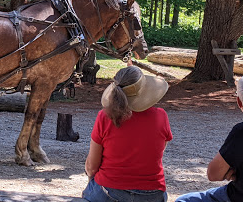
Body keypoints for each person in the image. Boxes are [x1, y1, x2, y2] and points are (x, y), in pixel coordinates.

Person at [82, 64, 172, 202]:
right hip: (153, 194)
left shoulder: (105, 117)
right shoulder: (161, 116)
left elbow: (91, 166)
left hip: (110, 192)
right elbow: (156, 152)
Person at [175, 77, 243, 202]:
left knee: (184, 200)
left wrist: (231, 170)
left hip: (237, 197)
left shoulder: (240, 132)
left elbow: (213, 174)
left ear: (239, 102)